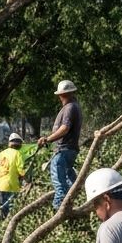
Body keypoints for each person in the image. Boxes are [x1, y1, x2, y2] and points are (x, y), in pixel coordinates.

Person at [37, 80, 82, 210]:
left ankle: (59, 212)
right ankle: (72, 207)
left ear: (61, 95)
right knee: (69, 182)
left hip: (64, 150)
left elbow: (65, 128)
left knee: (59, 184)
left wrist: (47, 139)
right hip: (69, 150)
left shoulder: (70, 107)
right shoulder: (74, 106)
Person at [0, 132, 28, 218]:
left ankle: (0, 226)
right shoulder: (18, 154)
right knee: (10, 209)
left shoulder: (2, 153)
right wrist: (26, 179)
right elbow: (20, 170)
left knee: (1, 208)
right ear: (19, 144)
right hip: (11, 185)